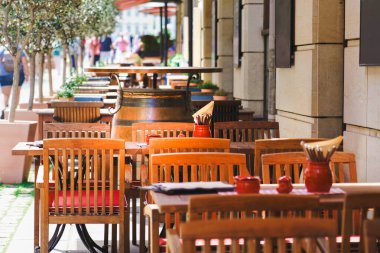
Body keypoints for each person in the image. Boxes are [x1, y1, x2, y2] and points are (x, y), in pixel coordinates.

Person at [0, 46, 28, 119]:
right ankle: (14, 110)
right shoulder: (20, 49)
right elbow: (24, 62)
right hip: (18, 74)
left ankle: (4, 109)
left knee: (6, 95)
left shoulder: (3, 49)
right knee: (17, 93)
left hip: (4, 74)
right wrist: (27, 74)